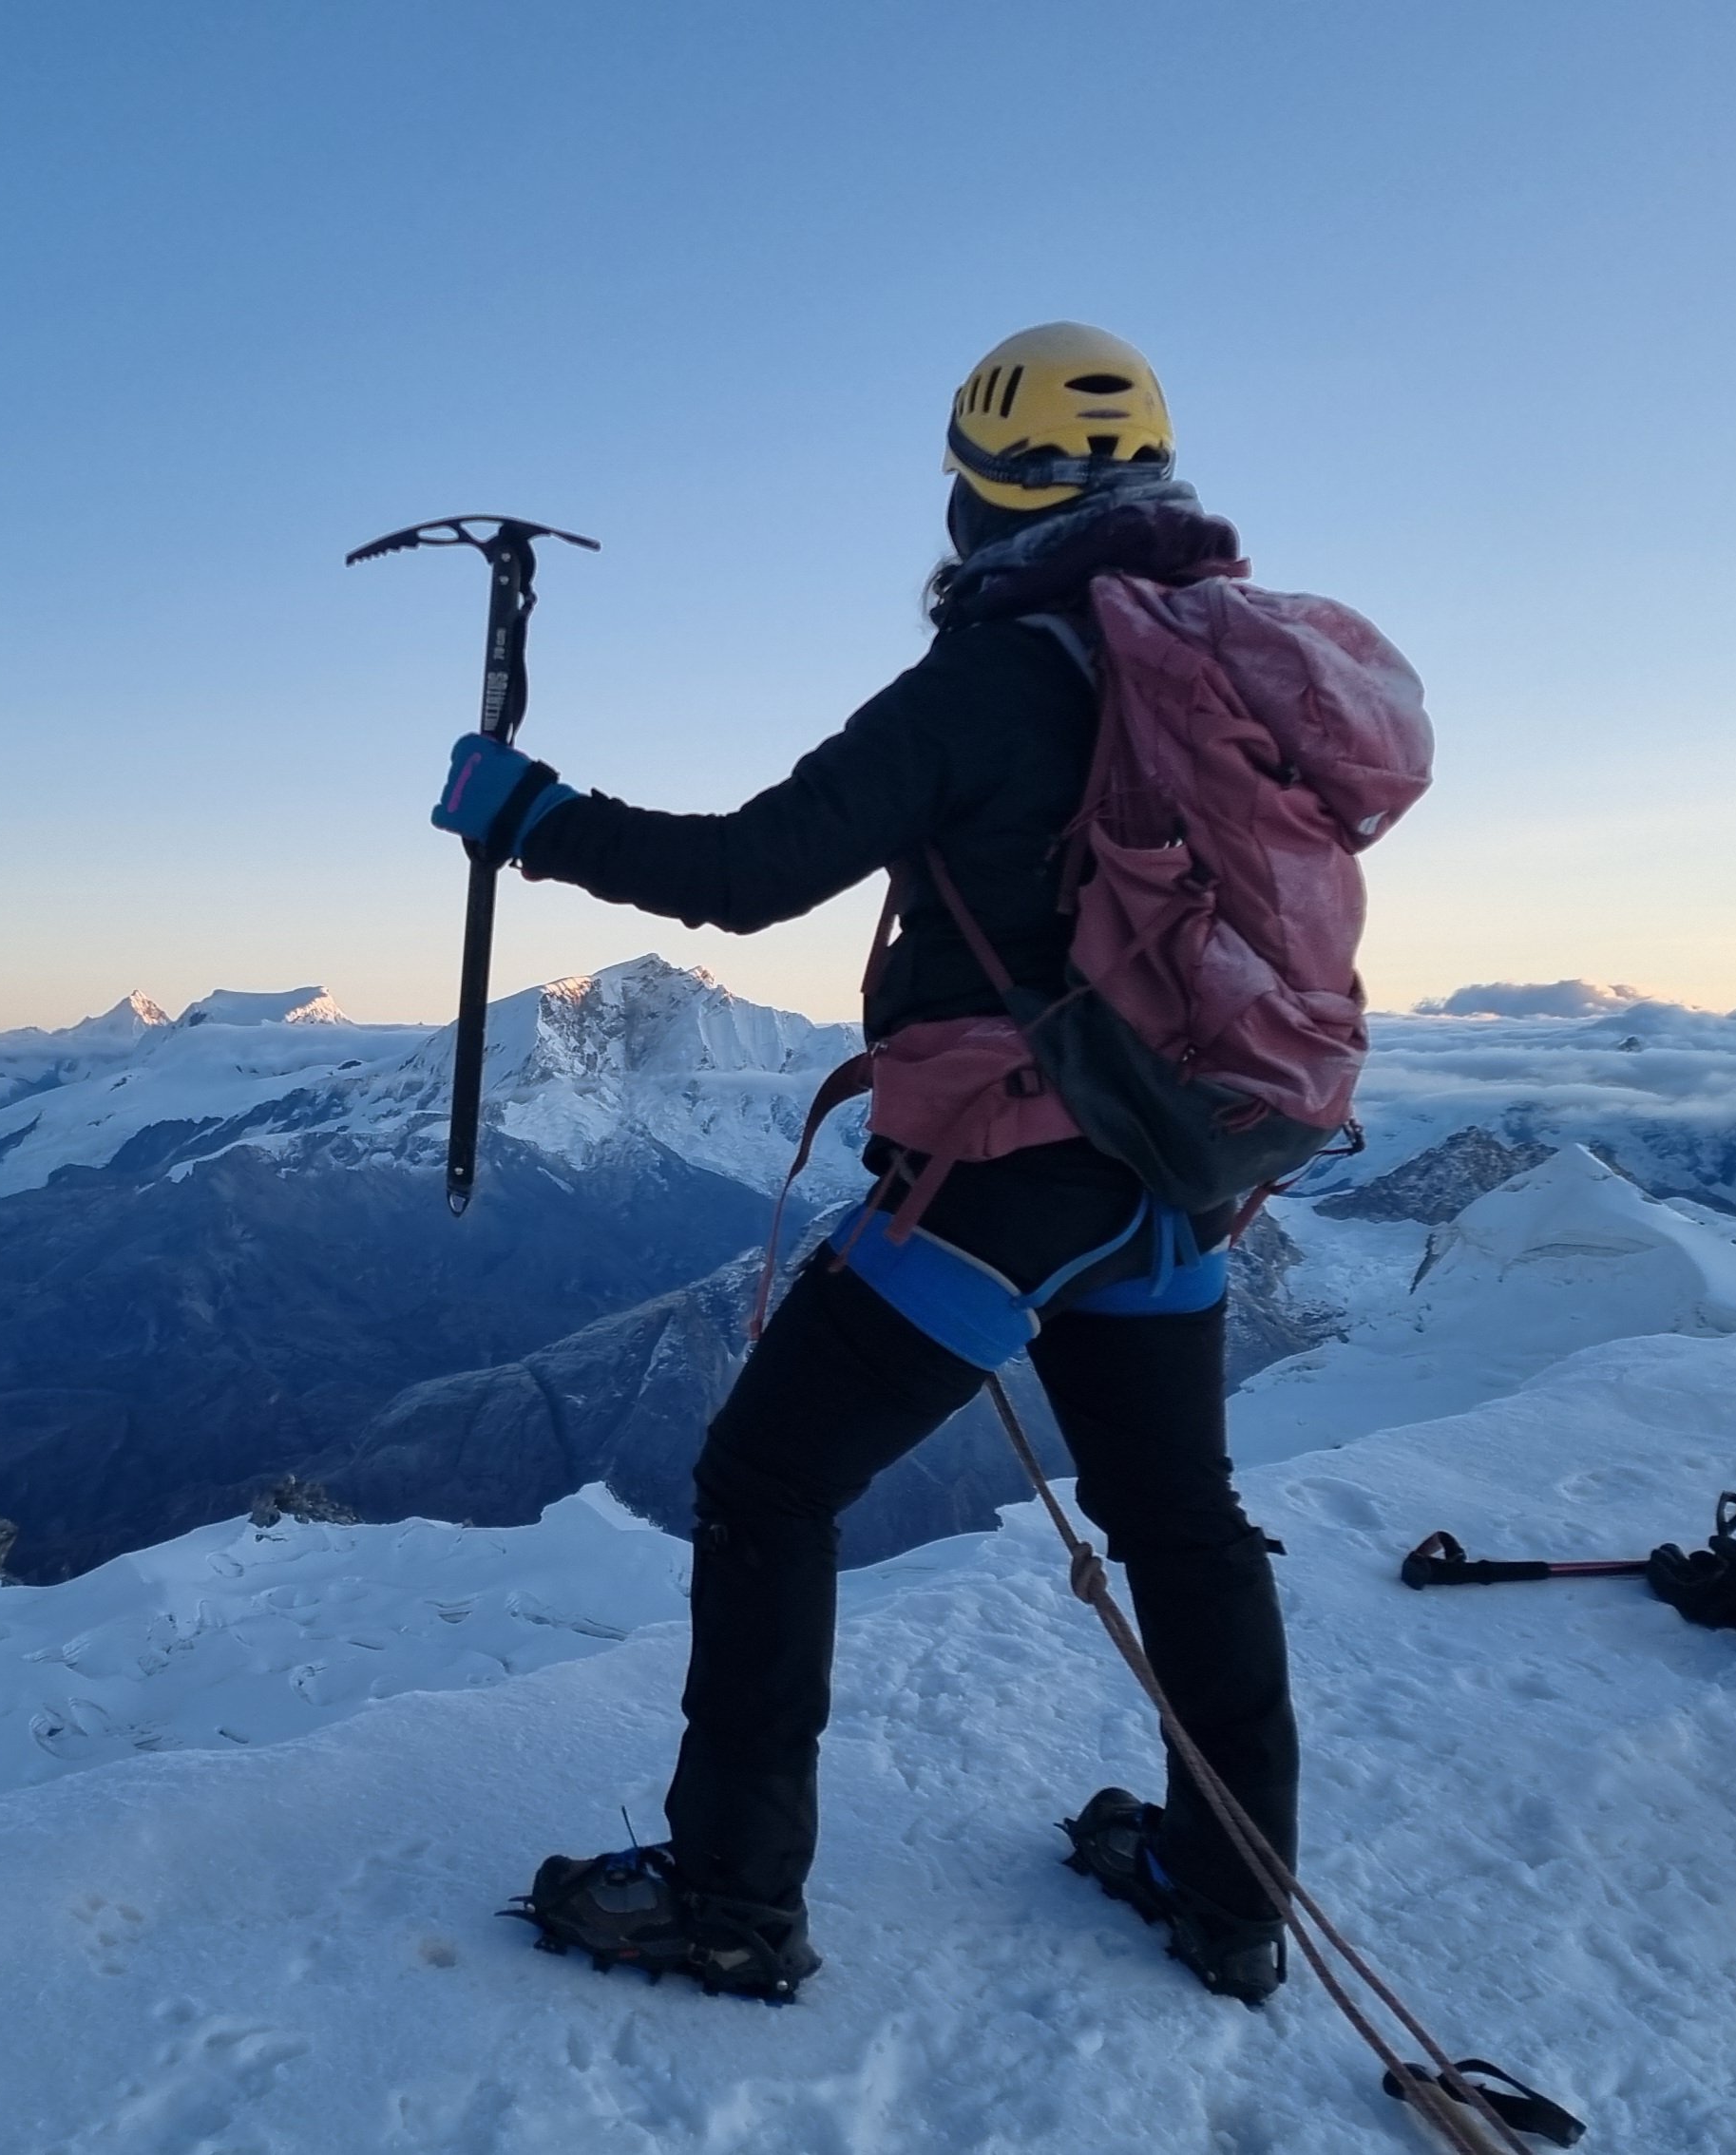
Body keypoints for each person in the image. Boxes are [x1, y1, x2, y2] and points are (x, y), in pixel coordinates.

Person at [431, 323, 1304, 2006]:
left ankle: (730, 1899)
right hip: (1185, 1164)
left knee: (767, 1485)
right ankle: (1228, 1890)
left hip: (1013, 1173)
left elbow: (748, 873)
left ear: (974, 495)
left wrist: (526, 817)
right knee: (1180, 1522)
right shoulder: (1230, 675)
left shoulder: (991, 677)